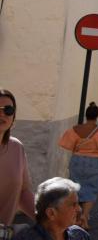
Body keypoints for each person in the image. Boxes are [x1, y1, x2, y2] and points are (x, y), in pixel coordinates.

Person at [57, 105, 98, 230]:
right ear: (96, 116)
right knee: (91, 189)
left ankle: (77, 218)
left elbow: (66, 143)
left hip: (77, 159)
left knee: (76, 189)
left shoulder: (75, 129)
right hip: (95, 161)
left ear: (86, 115)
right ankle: (84, 218)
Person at [0, 89, 36, 238]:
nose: (2, 114)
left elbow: (23, 192)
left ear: (13, 116)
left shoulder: (16, 147)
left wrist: (46, 220)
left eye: (8, 110)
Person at [11, 178, 89, 240]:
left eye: (77, 204)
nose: (79, 209)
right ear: (51, 213)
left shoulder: (79, 235)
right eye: (73, 205)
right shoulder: (26, 238)